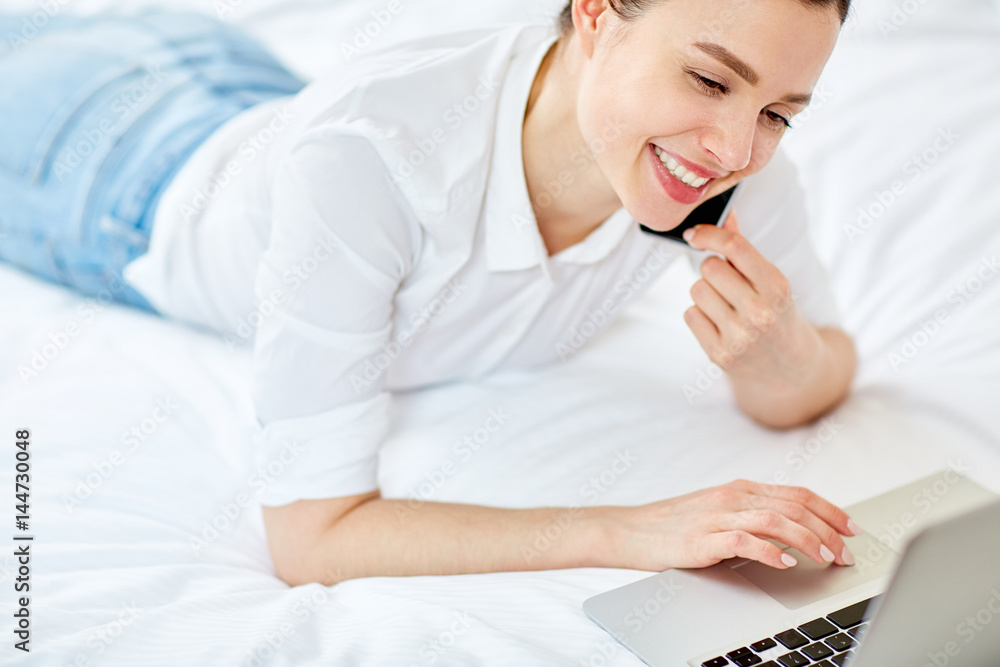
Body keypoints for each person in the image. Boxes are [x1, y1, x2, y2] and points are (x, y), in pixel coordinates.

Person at [0, 0, 861, 587]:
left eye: (781, 110)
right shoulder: (370, 159)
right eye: (709, 80)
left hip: (235, 83)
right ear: (595, 13)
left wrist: (778, 355)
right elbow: (312, 537)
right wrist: (627, 530)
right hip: (108, 174)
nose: (734, 146)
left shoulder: (733, 172)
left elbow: (822, 364)